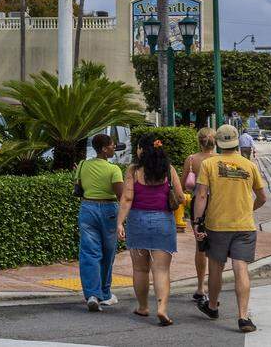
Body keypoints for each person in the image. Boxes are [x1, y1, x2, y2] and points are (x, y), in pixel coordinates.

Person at [194, 123, 268, 333]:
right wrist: (248, 209)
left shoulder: (208, 164)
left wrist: (197, 221)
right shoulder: (249, 165)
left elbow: (201, 195)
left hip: (217, 225)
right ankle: (243, 317)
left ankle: (212, 306)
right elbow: (262, 197)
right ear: (236, 142)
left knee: (215, 267)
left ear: (218, 142)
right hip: (244, 225)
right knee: (240, 268)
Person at [117, 137, 183, 326]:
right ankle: (162, 308)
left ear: (141, 150)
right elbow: (180, 196)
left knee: (140, 269)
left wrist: (120, 223)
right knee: (161, 270)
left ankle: (143, 306)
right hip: (163, 221)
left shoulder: (133, 170)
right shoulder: (168, 169)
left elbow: (127, 198)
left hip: (138, 221)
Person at [76, 133, 124, 313]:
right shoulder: (114, 169)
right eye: (112, 145)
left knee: (89, 252)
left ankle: (92, 295)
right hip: (108, 209)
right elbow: (121, 195)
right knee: (107, 253)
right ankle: (104, 293)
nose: (114, 148)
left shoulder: (82, 165)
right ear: (104, 149)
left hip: (87, 208)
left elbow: (80, 188)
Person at [182, 128, 218, 303]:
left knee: (200, 246)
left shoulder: (191, 160)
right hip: (218, 203)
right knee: (217, 246)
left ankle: (200, 287)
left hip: (198, 203)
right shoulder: (219, 159)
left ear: (199, 141)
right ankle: (214, 286)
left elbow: (184, 184)